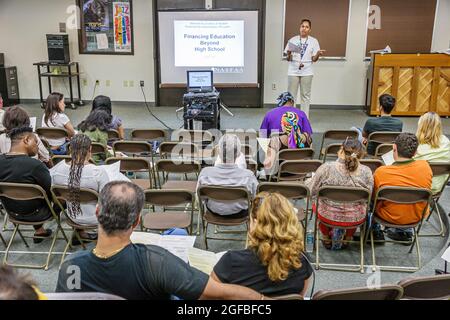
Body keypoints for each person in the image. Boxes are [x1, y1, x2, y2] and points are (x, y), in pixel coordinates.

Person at [56, 181, 264, 300]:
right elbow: (221, 295)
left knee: (177, 234)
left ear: (98, 212)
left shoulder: (71, 266)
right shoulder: (154, 262)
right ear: (136, 221)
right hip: (165, 276)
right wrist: (264, 300)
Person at [212, 192, 313, 297]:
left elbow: (211, 296)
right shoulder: (302, 261)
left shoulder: (231, 261)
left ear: (255, 224)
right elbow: (298, 297)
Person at [306, 138, 373, 249]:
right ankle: (347, 239)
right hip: (355, 218)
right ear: (361, 154)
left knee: (316, 200)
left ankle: (326, 237)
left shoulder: (326, 168)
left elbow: (311, 191)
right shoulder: (366, 171)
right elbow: (368, 197)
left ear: (341, 150)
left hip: (327, 215)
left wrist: (308, 181)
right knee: (357, 207)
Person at [373, 133, 432, 242]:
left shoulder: (381, 172)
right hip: (416, 216)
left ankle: (374, 233)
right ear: (415, 152)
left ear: (394, 147)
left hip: (388, 216)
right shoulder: (425, 167)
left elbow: (374, 199)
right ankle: (404, 232)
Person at [0, 127, 53, 242]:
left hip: (12, 213)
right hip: (39, 214)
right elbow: (51, 192)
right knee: (63, 197)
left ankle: (40, 231)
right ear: (26, 140)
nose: (37, 146)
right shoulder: (35, 165)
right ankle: (80, 232)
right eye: (36, 142)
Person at [50, 134, 110, 229]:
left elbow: (56, 198)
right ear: (90, 149)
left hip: (72, 216)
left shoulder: (57, 170)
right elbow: (106, 201)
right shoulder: (98, 172)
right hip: (96, 217)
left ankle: (79, 234)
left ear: (70, 149)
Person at [197, 134, 258, 218]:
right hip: (240, 213)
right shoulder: (249, 176)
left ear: (219, 152)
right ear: (238, 154)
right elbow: (256, 198)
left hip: (213, 211)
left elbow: (199, 199)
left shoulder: (205, 174)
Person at [262, 93, 313, 173]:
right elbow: (308, 135)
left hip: (278, 172)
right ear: (292, 101)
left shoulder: (269, 114)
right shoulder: (302, 114)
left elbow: (263, 136)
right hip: (301, 173)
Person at [285, 19, 325, 117]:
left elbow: (314, 59)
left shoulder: (314, 41)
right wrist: (289, 53)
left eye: (307, 27)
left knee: (305, 96)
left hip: (307, 71)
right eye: (302, 26)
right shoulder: (293, 40)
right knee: (291, 96)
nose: (304, 28)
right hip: (293, 71)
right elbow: (288, 59)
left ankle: (304, 118)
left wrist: (318, 54)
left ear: (310, 29)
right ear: (300, 27)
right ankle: (291, 118)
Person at [414, 112, 450, 194]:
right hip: (437, 187)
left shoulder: (415, 143)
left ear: (421, 125)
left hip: (416, 187)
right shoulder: (446, 142)